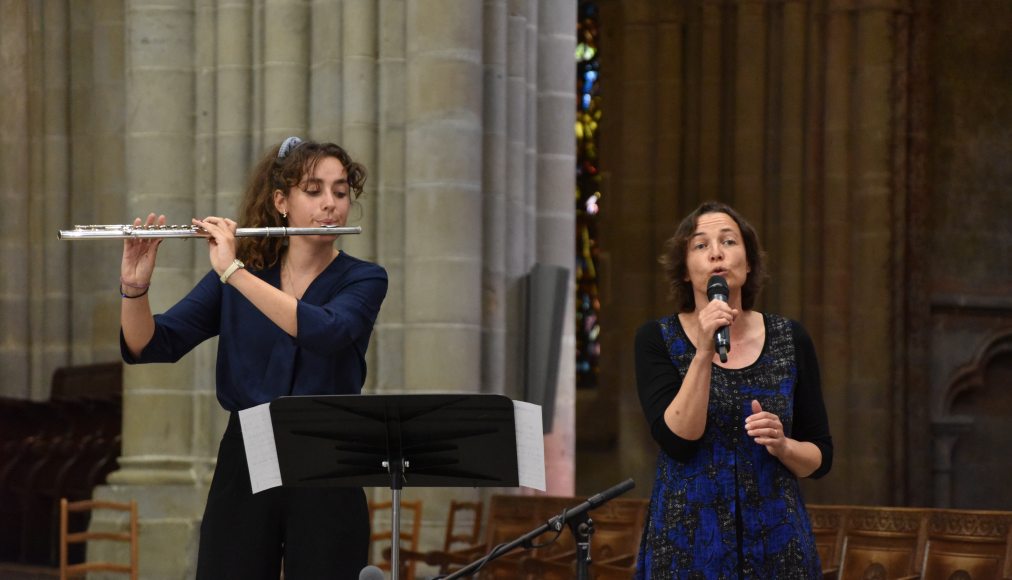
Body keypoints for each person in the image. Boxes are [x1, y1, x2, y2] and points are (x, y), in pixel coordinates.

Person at [119, 137, 388, 579]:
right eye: (314, 190)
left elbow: (326, 331)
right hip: (249, 449)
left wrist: (232, 271)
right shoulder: (245, 270)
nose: (331, 204)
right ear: (282, 201)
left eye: (340, 192)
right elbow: (152, 344)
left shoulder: (363, 278)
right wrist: (135, 288)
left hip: (329, 456)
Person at [634, 201, 832, 579]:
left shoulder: (791, 338)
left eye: (729, 241)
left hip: (777, 541)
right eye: (701, 245)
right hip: (688, 542)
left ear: (749, 262)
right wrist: (704, 350)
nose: (717, 253)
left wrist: (783, 445)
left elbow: (821, 456)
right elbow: (679, 440)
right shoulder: (656, 339)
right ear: (685, 268)